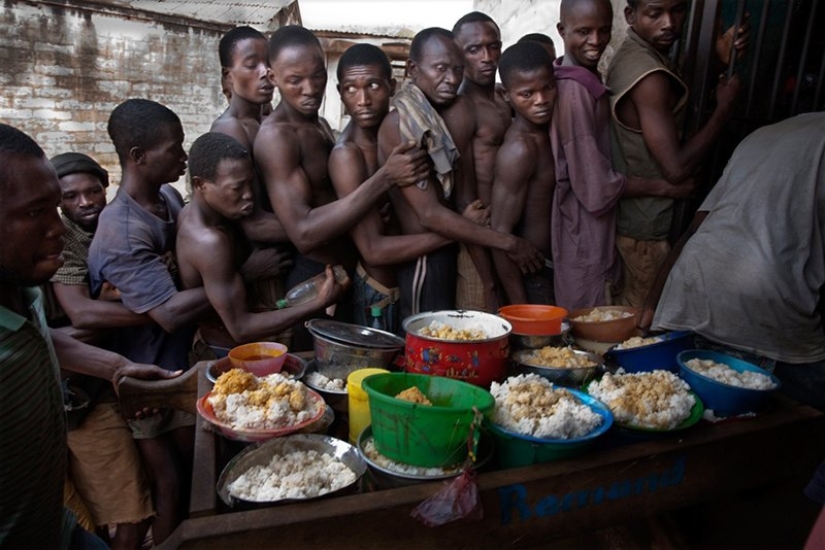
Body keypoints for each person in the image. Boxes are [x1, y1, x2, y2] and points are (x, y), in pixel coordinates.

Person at [0, 123, 180, 549]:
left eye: (52, 209)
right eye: (34, 213)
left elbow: (42, 337)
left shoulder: (21, 291)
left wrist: (118, 368)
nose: (58, 227)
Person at [255, 25, 428, 344]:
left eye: (317, 76)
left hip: (350, 276)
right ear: (273, 77)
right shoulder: (276, 137)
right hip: (316, 281)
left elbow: (339, 200)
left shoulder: (318, 124)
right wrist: (383, 180)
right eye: (295, 80)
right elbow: (304, 233)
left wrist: (368, 208)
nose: (310, 89)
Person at [87, 99, 211, 544]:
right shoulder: (121, 229)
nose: (182, 157)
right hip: (145, 379)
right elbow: (171, 313)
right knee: (170, 485)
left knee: (192, 476)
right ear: (138, 156)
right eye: (173, 149)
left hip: (175, 368)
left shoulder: (168, 199)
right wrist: (233, 281)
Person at [644, 112, 825, 409]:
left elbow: (695, 228)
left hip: (690, 286)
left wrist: (652, 305)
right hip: (763, 300)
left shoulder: (766, 132)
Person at [378, 27, 544, 321]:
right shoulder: (402, 125)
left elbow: (465, 200)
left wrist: (490, 276)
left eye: (457, 70)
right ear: (413, 69)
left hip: (450, 249)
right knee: (427, 350)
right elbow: (429, 214)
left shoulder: (441, 118)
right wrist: (508, 242)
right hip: (423, 262)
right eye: (441, 69)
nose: (452, 79)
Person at [608, 0, 745, 309]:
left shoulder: (639, 55)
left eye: (678, 10)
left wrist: (718, 63)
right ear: (630, 15)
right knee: (639, 326)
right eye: (655, 13)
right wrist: (724, 109)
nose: (669, 22)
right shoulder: (649, 75)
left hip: (639, 224)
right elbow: (676, 169)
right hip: (645, 232)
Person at [48, 152, 154, 550]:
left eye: (93, 191)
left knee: (125, 504)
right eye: (71, 196)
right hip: (69, 394)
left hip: (95, 389)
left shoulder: (116, 229)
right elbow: (78, 317)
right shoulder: (63, 241)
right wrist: (156, 309)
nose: (85, 202)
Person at [550, 0, 684, 311]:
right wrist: (662, 187)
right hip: (583, 232)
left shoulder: (585, 81)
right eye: (584, 31)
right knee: (589, 326)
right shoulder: (574, 94)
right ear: (562, 30)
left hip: (590, 230)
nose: (596, 41)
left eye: (604, 31)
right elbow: (595, 190)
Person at [329, 44, 457, 333]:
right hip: (381, 292)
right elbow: (373, 250)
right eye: (351, 89)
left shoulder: (401, 131)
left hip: (412, 277)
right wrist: (454, 233)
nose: (362, 100)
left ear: (392, 86)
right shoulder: (348, 155)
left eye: (373, 85)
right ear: (340, 93)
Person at [177, 132, 346, 348]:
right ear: (200, 185)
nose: (249, 194)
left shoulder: (204, 213)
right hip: (228, 352)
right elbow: (241, 328)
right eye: (237, 188)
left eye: (250, 184)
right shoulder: (208, 242)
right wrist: (318, 302)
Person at [451, 11, 511, 311]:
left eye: (493, 46)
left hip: (508, 236)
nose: (487, 57)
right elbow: (466, 205)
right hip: (479, 248)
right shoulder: (462, 108)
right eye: (474, 49)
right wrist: (488, 281)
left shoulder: (504, 97)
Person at [490, 41, 557, 305]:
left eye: (548, 88)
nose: (541, 101)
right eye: (527, 94)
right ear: (507, 95)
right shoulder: (520, 149)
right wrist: (521, 309)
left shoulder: (550, 131)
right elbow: (501, 233)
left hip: (556, 269)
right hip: (534, 275)